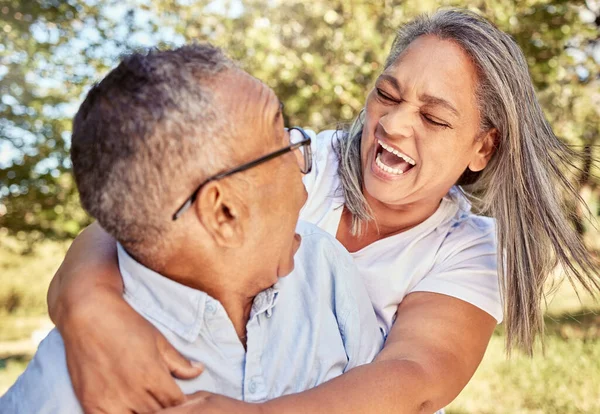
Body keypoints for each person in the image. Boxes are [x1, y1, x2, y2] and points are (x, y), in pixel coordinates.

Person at [45, 8, 599, 414]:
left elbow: (415, 374)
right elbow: (145, 209)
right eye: (387, 94)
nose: (395, 124)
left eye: (433, 118)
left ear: (484, 147)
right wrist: (89, 306)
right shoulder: (304, 160)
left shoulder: (469, 248)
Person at [0, 45, 384, 413]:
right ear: (224, 212)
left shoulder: (322, 264)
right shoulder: (59, 398)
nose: (304, 162)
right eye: (280, 142)